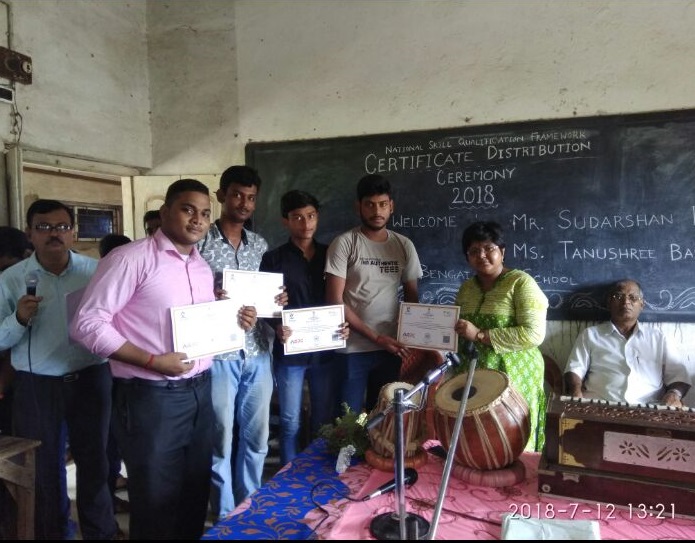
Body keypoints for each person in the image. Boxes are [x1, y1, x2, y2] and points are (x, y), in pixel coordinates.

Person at [70, 179, 216, 540]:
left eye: (205, 213)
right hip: (151, 396)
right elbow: (86, 324)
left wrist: (236, 318)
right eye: (187, 209)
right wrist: (152, 360)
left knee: (195, 493)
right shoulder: (130, 259)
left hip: (201, 390)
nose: (197, 219)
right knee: (155, 501)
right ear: (165, 212)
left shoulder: (200, 266)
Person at [0, 200, 118, 540]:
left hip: (92, 378)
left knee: (96, 464)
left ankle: (102, 534)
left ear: (74, 232)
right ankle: (55, 534)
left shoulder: (96, 272)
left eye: (62, 227)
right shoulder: (12, 280)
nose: (55, 234)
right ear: (30, 234)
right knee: (44, 471)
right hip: (38, 384)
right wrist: (19, 318)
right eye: (44, 227)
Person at [197, 165, 283, 520]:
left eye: (250, 198)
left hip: (258, 351)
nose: (244, 203)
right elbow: (185, 295)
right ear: (221, 196)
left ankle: (249, 508)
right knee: (219, 440)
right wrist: (211, 297)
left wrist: (277, 303)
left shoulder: (260, 245)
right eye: (236, 195)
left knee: (257, 439)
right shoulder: (199, 243)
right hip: (218, 354)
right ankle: (223, 514)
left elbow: (264, 300)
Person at [259, 189, 348, 465]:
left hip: (325, 352)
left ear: (317, 218)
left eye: (310, 216)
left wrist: (344, 325)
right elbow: (263, 304)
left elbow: (343, 296)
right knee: (290, 422)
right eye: (297, 217)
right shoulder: (273, 259)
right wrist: (276, 325)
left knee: (323, 419)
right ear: (285, 221)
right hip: (290, 354)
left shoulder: (331, 254)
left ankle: (316, 473)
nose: (305, 224)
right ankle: (288, 477)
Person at [325, 174, 423, 414]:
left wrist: (412, 336)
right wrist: (376, 337)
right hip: (352, 350)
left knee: (384, 419)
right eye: (369, 204)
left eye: (382, 204)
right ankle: (346, 455)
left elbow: (412, 299)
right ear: (358, 206)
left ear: (391, 206)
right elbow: (334, 301)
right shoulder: (345, 243)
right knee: (347, 421)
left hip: (392, 350)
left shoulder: (403, 245)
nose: (376, 211)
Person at [453, 220, 548, 452]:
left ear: (502, 252)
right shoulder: (467, 288)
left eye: (489, 248)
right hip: (473, 373)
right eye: (474, 251)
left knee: (509, 435)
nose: (482, 255)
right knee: (477, 441)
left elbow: (533, 333)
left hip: (513, 375)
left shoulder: (521, 283)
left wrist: (480, 335)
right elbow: (457, 328)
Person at [564, 279, 691, 407]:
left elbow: (679, 376)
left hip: (649, 409)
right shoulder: (590, 335)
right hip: (600, 406)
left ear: (642, 305)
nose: (626, 302)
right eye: (618, 296)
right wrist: (575, 391)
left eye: (633, 297)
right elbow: (575, 369)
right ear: (609, 303)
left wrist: (674, 394)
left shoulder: (658, 338)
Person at [97, 233, 132, 515]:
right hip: (101, 370)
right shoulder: (98, 280)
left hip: (123, 372)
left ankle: (116, 485)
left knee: (117, 437)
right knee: (106, 438)